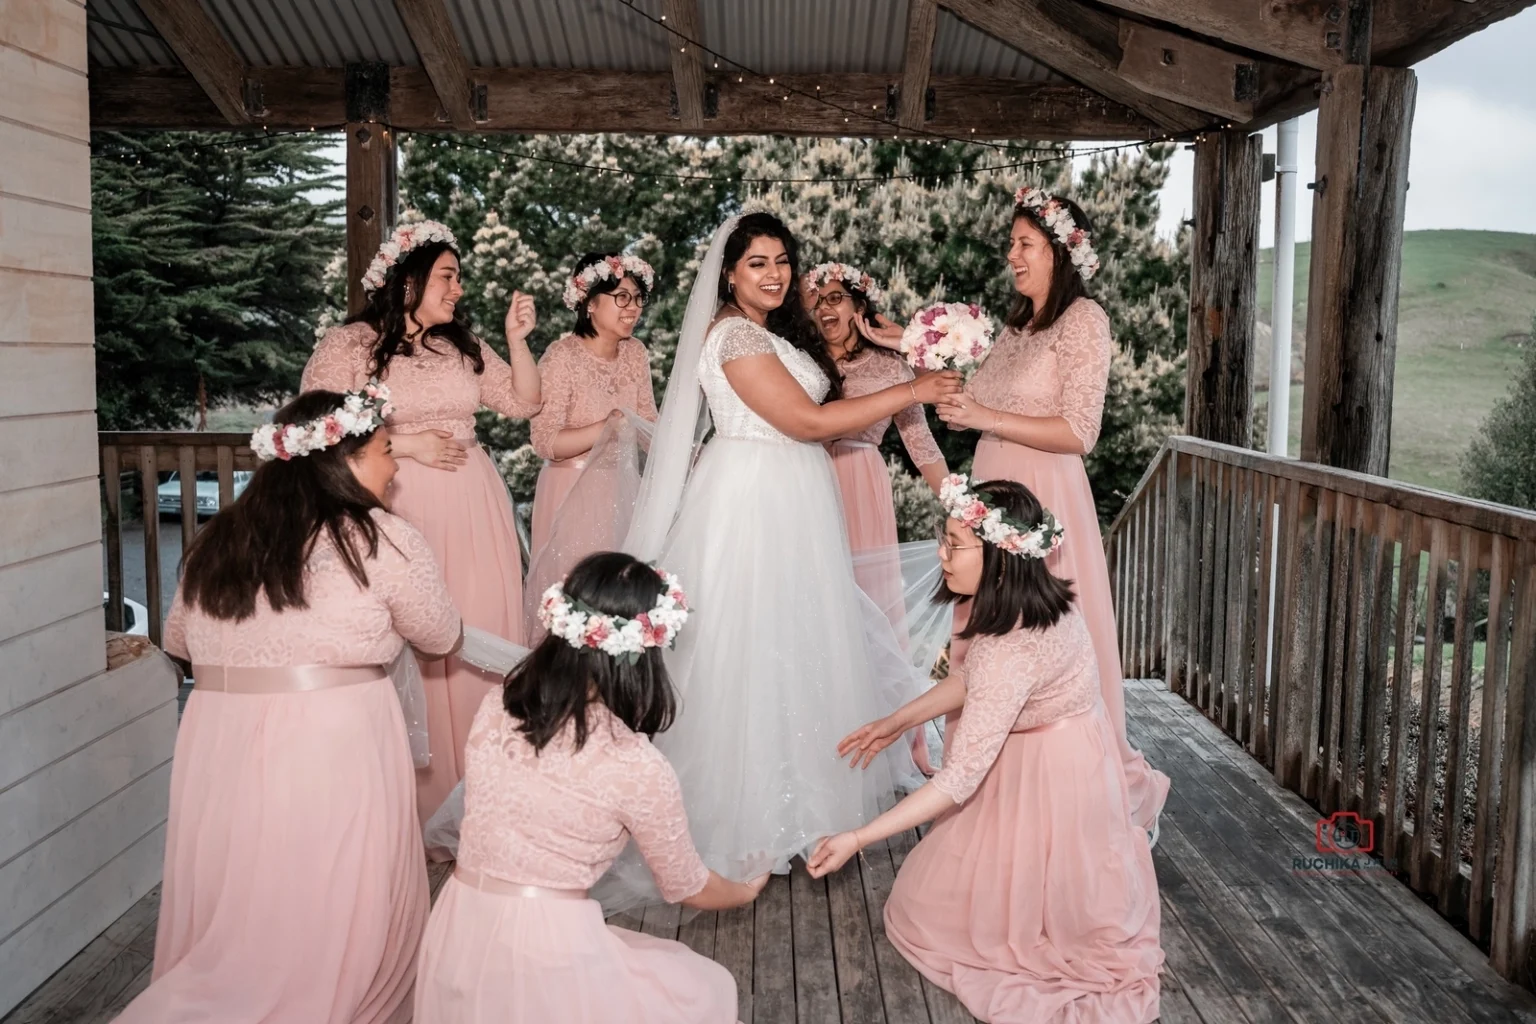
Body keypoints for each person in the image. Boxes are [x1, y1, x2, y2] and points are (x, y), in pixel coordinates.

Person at [594, 212, 962, 911]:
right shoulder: (732, 335)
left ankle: (797, 803)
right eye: (757, 262)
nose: (774, 273)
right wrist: (916, 390)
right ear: (729, 273)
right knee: (745, 651)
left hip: (795, 500)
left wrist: (899, 347)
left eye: (782, 260)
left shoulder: (772, 332)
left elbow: (828, 398)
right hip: (754, 501)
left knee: (796, 647)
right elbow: (808, 423)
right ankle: (742, 819)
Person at [115, 388, 462, 1024]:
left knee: (245, 890)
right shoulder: (380, 537)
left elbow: (177, 641)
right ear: (346, 461)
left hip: (219, 733)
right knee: (328, 893)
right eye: (386, 451)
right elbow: (442, 636)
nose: (395, 467)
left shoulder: (218, 539)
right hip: (330, 735)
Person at [812, 477, 1162, 1024]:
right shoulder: (1043, 602)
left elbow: (958, 779)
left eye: (954, 544)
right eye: (942, 538)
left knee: (935, 914)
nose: (940, 554)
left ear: (1001, 555)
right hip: (1072, 749)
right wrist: (895, 721)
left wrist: (857, 836)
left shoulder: (1010, 648)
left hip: (1053, 776)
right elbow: (972, 679)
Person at [414, 552, 766, 1023]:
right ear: (644, 655)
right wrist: (746, 891)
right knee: (700, 990)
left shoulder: (498, 707)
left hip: (458, 924)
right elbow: (687, 885)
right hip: (547, 949)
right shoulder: (636, 764)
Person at [927, 187, 1169, 832]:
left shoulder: (1084, 321)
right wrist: (925, 353)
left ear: (1059, 253)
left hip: (1044, 492)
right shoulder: (1015, 327)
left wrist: (985, 415)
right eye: (1011, 243)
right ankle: (982, 773)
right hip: (991, 484)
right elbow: (973, 398)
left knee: (1046, 634)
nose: (1012, 255)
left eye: (1024, 244)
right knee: (988, 631)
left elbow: (1081, 431)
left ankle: (1078, 786)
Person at [301, 220, 542, 823]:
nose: (458, 288)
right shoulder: (350, 344)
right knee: (416, 637)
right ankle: (421, 798)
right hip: (399, 506)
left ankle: (487, 786)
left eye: (458, 277)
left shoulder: (460, 344)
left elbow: (524, 402)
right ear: (407, 282)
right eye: (447, 276)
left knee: (482, 628)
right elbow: (315, 430)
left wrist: (516, 339)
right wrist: (406, 447)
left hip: (475, 505)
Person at [806, 261, 949, 772]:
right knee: (815, 609)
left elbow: (921, 443)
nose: (826, 308)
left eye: (837, 297)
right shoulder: (800, 361)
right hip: (808, 481)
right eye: (817, 299)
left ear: (859, 306)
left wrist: (957, 501)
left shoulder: (891, 366)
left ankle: (900, 740)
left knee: (875, 612)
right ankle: (816, 734)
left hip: (862, 484)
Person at [523, 252, 660, 638]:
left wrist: (686, 448)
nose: (632, 308)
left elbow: (650, 419)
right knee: (575, 608)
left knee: (621, 605)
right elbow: (544, 440)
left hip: (623, 490)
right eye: (622, 297)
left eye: (637, 298)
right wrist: (604, 427)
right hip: (571, 490)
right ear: (589, 303)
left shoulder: (636, 353)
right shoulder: (562, 356)